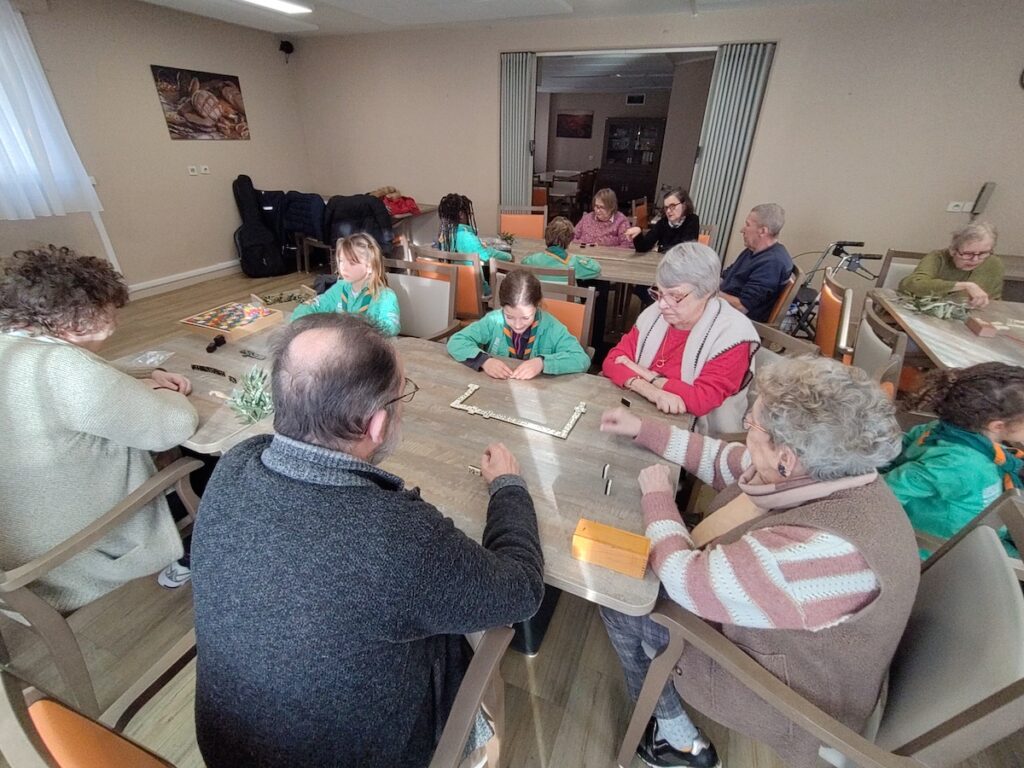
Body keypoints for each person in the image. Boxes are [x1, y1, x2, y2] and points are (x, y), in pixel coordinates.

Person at [192, 313, 545, 768]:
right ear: (376, 424)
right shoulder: (401, 537)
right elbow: (522, 589)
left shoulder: (236, 462)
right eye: (400, 396)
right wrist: (509, 487)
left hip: (226, 751)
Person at [599, 356, 918, 768]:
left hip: (792, 690)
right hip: (793, 638)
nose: (746, 424)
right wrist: (644, 430)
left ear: (786, 458)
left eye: (752, 424)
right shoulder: (830, 472)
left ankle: (675, 738)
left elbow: (685, 581)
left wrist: (658, 498)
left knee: (622, 600)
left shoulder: (829, 552)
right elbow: (731, 462)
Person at [0, 246, 198, 612]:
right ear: (77, 323)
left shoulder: (13, 345)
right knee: (203, 460)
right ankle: (195, 549)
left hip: (14, 542)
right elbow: (175, 425)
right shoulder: (67, 371)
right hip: (67, 556)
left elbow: (85, 372)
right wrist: (164, 391)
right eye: (110, 314)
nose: (116, 323)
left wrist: (145, 373)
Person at [602, 243, 758, 433]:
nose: (662, 305)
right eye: (659, 293)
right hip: (641, 415)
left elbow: (700, 401)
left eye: (675, 296)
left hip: (701, 437)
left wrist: (648, 375)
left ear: (707, 293)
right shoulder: (655, 314)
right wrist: (651, 392)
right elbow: (612, 361)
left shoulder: (732, 335)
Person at [883, 362, 1024, 557]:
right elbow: (890, 491)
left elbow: (900, 450)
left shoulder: (946, 431)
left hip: (981, 529)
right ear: (997, 426)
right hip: (948, 548)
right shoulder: (963, 464)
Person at [447, 269, 590, 379]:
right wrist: (484, 361)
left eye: (526, 317)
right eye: (509, 317)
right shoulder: (493, 321)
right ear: (502, 307)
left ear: (537, 305)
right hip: (497, 389)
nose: (517, 325)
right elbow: (457, 341)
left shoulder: (552, 327)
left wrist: (542, 363)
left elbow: (581, 359)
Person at [291, 232, 400, 336]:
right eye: (341, 261)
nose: (343, 267)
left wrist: (364, 326)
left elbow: (391, 327)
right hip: (342, 342)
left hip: (370, 345)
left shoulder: (385, 296)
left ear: (369, 267)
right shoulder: (339, 288)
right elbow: (314, 306)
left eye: (352, 263)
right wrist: (298, 320)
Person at [898, 221, 1003, 308]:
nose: (975, 259)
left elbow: (994, 301)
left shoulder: (993, 263)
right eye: (968, 254)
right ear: (952, 250)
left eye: (983, 253)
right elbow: (911, 285)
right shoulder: (937, 258)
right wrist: (964, 286)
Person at [719, 203, 794, 322]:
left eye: (747, 225)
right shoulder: (752, 250)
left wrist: (709, 294)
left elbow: (742, 307)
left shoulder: (772, 263)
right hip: (723, 309)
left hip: (736, 321)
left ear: (763, 231)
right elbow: (725, 276)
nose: (742, 230)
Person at [438, 192, 512, 294]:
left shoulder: (444, 236)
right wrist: (509, 256)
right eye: (469, 214)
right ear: (461, 215)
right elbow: (487, 255)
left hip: (454, 291)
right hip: (477, 292)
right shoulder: (466, 237)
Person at [522, 216, 602, 283]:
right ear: (569, 241)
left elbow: (523, 263)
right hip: (566, 298)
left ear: (546, 236)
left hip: (540, 297)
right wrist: (579, 258)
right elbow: (596, 269)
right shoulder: (574, 263)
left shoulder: (533, 260)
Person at [626, 187, 699, 253]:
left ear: (684, 205)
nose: (668, 211)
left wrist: (659, 248)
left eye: (672, 206)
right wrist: (638, 234)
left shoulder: (692, 220)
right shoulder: (663, 223)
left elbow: (684, 249)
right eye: (666, 207)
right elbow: (643, 248)